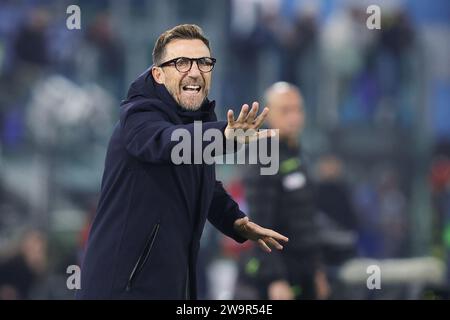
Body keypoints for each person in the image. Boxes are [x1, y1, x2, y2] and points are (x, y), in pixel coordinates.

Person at [77, 24, 288, 300]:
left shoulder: (195, 123)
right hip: (121, 290)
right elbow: (169, 143)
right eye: (181, 62)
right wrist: (223, 134)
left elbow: (204, 185)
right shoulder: (139, 116)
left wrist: (234, 220)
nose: (195, 71)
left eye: (203, 62)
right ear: (158, 74)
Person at [236, 82, 329, 300]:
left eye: (298, 109)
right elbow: (258, 225)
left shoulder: (297, 155)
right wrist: (274, 279)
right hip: (277, 279)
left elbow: (307, 220)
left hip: (303, 272)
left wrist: (317, 269)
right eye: (286, 110)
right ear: (269, 114)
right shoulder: (263, 157)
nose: (294, 117)